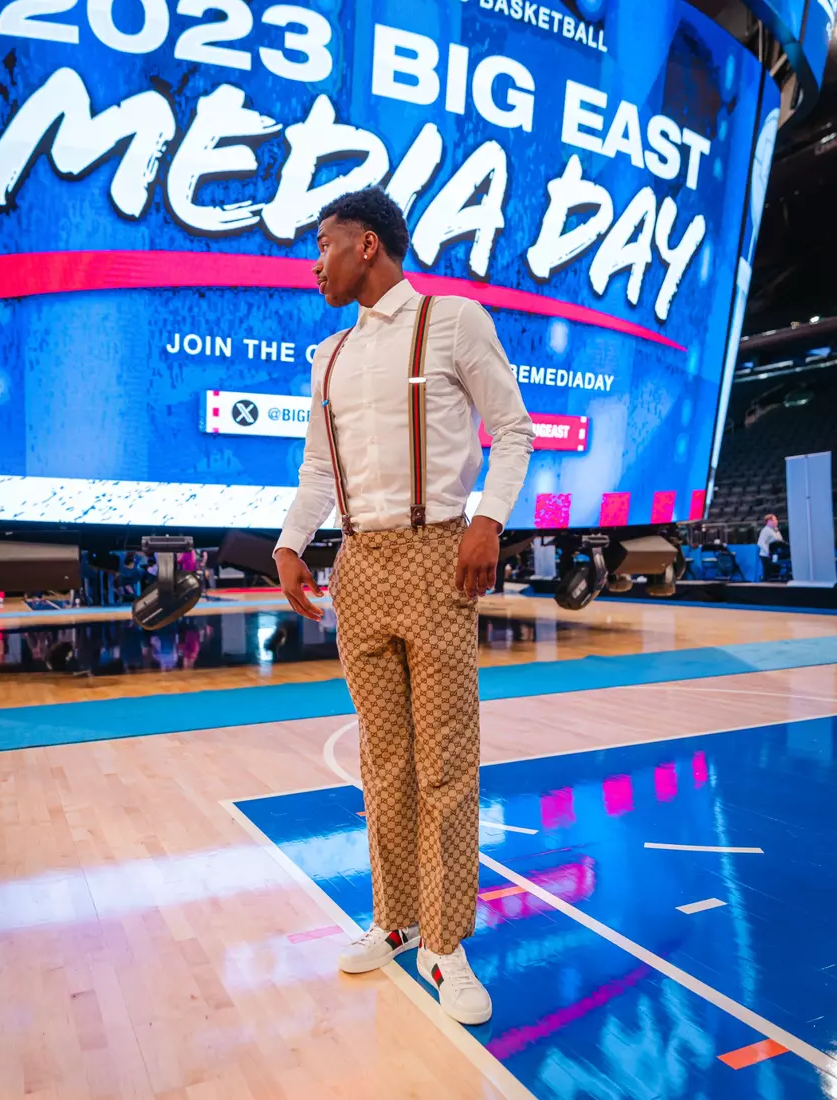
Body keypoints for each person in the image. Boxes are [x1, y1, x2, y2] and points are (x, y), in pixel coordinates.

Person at [273, 187, 533, 1026]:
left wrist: (487, 519)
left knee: (447, 762)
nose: (316, 263)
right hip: (361, 564)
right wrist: (288, 542)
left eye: (325, 245)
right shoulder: (329, 359)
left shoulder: (455, 320)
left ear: (369, 248)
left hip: (438, 555)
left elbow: (515, 430)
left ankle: (446, 944)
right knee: (383, 761)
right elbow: (318, 472)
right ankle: (394, 919)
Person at [757, 513, 784, 580]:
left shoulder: (775, 530)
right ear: (769, 521)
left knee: (775, 574)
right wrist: (768, 552)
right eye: (774, 520)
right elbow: (760, 542)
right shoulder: (766, 530)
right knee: (768, 574)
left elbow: (780, 541)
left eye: (776, 520)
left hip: (775, 555)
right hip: (766, 556)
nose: (776, 521)